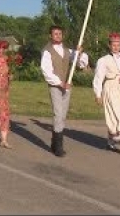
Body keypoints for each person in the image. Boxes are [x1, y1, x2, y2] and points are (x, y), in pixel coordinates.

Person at [40, 25, 89, 157]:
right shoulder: (47, 51)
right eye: (55, 34)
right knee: (58, 113)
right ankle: (59, 147)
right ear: (51, 36)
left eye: (60, 34)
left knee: (63, 115)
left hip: (67, 87)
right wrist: (60, 83)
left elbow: (81, 63)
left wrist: (79, 53)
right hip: (56, 86)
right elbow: (46, 71)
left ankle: (54, 142)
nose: (58, 36)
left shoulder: (67, 51)